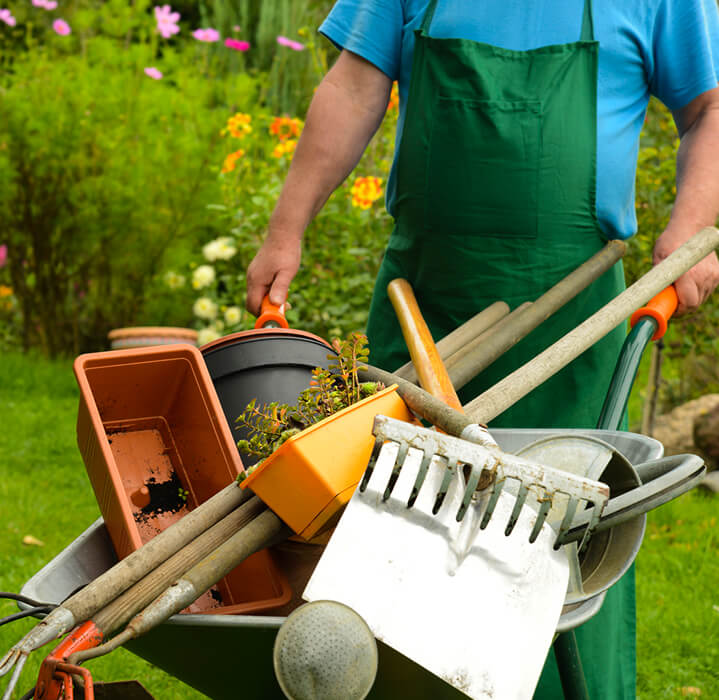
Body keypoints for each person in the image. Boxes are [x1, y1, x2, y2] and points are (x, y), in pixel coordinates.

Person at [246, 1, 719, 697]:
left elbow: (708, 109)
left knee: (565, 536)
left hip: (572, 316)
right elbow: (353, 85)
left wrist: (687, 227)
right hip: (426, 299)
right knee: (392, 523)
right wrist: (285, 230)